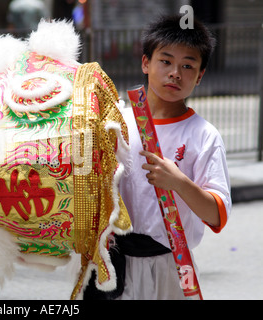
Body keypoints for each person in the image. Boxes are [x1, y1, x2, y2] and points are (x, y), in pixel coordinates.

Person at [84, 14, 232, 300]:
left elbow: (217, 215)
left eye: (187, 65)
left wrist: (178, 181)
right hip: (113, 264)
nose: (175, 72)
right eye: (165, 61)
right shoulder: (116, 123)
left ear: (200, 76)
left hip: (172, 268)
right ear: (145, 63)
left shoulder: (204, 135)